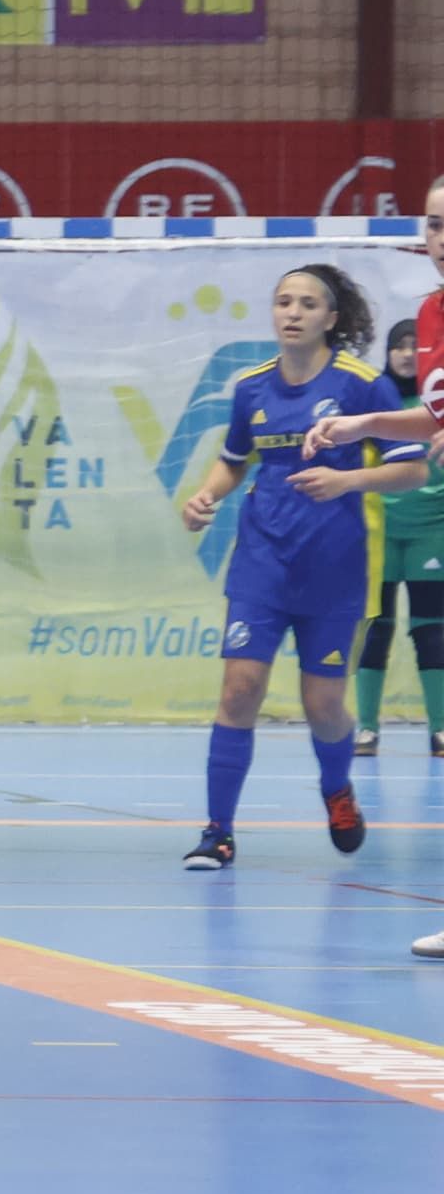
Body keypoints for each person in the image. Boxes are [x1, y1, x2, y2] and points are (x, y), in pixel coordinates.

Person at [175, 263, 421, 870]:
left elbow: (413, 469)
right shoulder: (251, 388)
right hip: (262, 562)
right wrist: (208, 494)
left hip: (336, 569)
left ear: (331, 319)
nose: (293, 312)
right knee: (240, 689)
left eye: (308, 304)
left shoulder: (364, 385)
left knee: (324, 706)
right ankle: (218, 832)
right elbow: (234, 460)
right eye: (283, 301)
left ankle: (337, 790)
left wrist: (347, 480)